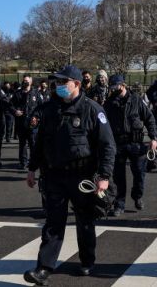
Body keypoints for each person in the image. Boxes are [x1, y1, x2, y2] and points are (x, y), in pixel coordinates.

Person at [23, 65, 116, 285]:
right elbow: (40, 143)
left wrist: (104, 176)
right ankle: (44, 268)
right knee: (53, 223)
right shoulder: (49, 110)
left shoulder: (93, 110)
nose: (59, 86)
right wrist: (31, 168)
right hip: (54, 175)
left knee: (85, 221)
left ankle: (87, 260)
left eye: (63, 82)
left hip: (82, 174)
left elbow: (107, 146)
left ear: (76, 84)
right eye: (57, 82)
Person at [103, 74, 157, 217]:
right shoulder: (109, 103)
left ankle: (137, 196)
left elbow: (149, 118)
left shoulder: (136, 100)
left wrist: (153, 137)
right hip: (118, 144)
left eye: (116, 87)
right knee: (119, 177)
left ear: (123, 85)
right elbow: (102, 124)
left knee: (140, 174)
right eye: (111, 87)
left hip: (136, 144)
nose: (113, 89)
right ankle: (119, 204)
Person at [11, 75, 43, 169]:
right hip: (21, 123)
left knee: (33, 144)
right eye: (24, 80)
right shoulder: (17, 93)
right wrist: (15, 111)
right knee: (22, 144)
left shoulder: (36, 93)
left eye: (27, 81)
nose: (25, 82)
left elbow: (41, 107)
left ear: (31, 81)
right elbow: (10, 105)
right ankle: (23, 162)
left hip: (33, 124)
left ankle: (33, 162)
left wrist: (37, 117)